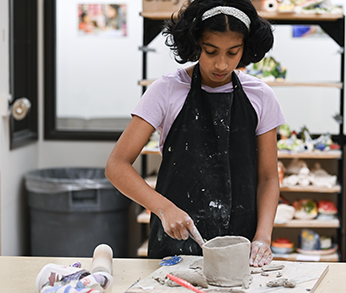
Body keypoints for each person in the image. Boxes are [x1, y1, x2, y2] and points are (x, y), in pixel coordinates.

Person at [106, 0, 285, 267]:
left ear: (245, 49)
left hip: (241, 247)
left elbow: (269, 178)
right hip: (175, 244)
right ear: (194, 44)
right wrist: (163, 209)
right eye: (210, 51)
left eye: (233, 52)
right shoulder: (167, 90)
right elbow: (116, 166)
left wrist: (263, 237)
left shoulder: (260, 96)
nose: (222, 65)